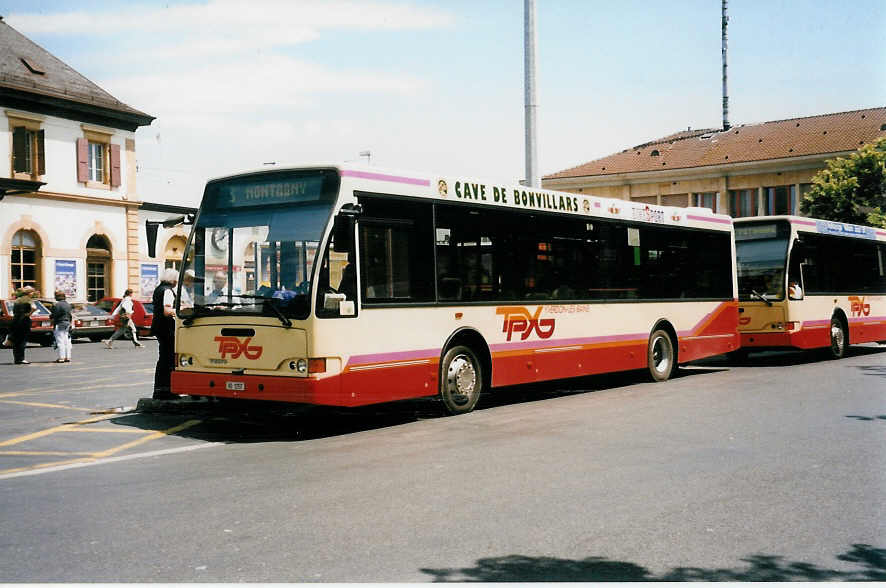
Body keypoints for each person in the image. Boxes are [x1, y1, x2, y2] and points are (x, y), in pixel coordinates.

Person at [150, 268, 178, 400]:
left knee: (163, 359)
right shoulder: (167, 291)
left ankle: (160, 389)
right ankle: (167, 390)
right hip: (167, 329)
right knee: (169, 360)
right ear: (173, 280)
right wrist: (180, 310)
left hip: (159, 327)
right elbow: (167, 311)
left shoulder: (158, 289)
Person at [10, 286, 35, 365]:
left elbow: (13, 310)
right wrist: (29, 314)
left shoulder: (17, 300)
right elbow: (34, 307)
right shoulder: (28, 299)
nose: (33, 293)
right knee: (22, 340)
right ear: (29, 293)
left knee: (16, 340)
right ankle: (21, 358)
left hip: (16, 320)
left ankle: (17, 358)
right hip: (24, 320)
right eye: (32, 292)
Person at [49, 290, 73, 363]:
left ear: (58, 297)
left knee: (60, 341)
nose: (54, 297)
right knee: (67, 341)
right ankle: (68, 357)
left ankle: (61, 357)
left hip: (59, 323)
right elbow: (70, 315)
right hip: (67, 323)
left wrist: (51, 315)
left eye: (55, 296)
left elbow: (54, 315)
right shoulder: (68, 304)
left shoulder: (57, 305)